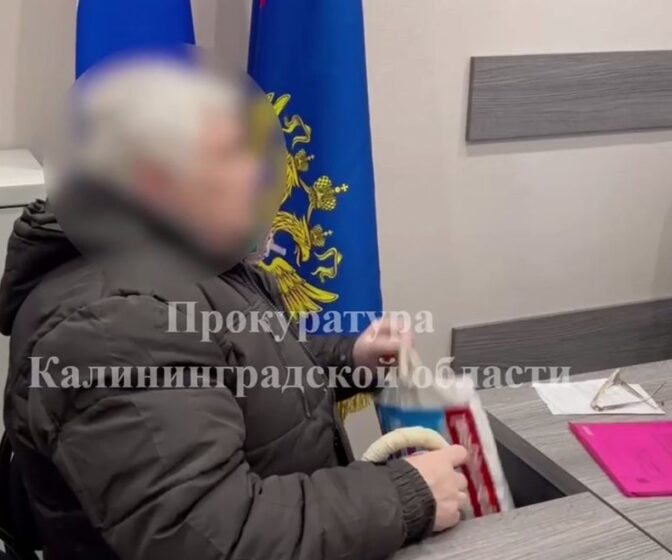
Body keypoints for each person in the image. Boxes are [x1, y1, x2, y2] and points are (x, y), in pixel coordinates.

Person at [0, 60, 468, 560]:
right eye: (230, 154)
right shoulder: (113, 322)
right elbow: (209, 538)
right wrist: (404, 495)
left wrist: (350, 358)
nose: (261, 172)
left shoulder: (182, 260)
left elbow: (235, 370)